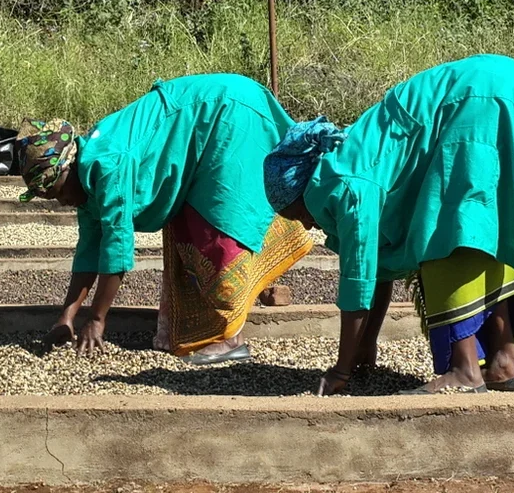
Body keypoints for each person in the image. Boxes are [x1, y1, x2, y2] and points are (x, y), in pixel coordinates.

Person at [263, 54, 514, 395]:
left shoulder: (341, 184)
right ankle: (502, 362)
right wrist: (363, 348)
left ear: (300, 189)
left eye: (297, 214)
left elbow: (359, 279)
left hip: (477, 104)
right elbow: (377, 272)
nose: (309, 225)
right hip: (500, 85)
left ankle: (465, 371)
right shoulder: (350, 157)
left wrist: (341, 371)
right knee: (480, 235)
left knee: (445, 233)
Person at [17, 74, 313, 364]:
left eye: (57, 192)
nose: (62, 202)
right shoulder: (85, 177)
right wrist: (66, 318)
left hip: (226, 115)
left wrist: (96, 319)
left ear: (67, 167)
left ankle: (227, 338)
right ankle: (202, 330)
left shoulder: (107, 166)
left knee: (218, 228)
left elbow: (117, 250)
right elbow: (90, 248)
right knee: (185, 228)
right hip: (207, 119)